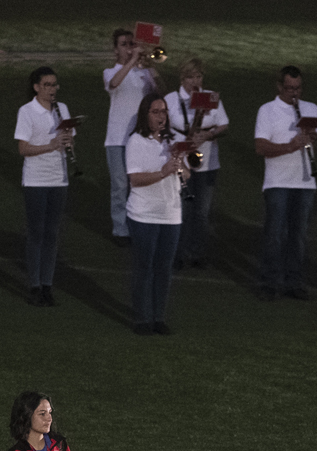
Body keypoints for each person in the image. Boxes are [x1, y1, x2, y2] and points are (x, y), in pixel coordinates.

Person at [253, 65, 317, 302]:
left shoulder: (311, 109)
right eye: (289, 88)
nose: (294, 93)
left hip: (305, 182)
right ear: (279, 87)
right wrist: (290, 146)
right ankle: (269, 282)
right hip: (278, 182)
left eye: (297, 88)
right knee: (275, 234)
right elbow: (260, 147)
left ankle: (294, 282)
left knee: (299, 235)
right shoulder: (267, 110)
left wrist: (316, 139)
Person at [126, 94, 186, 336]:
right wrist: (163, 172)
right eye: (156, 112)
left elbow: (187, 174)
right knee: (145, 267)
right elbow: (135, 179)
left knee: (164, 268)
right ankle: (142, 318)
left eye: (164, 112)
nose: (161, 116)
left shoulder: (174, 140)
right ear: (145, 115)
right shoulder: (136, 142)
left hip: (171, 214)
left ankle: (159, 317)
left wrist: (180, 163)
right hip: (143, 215)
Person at [15, 66, 72, 307]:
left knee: (52, 234)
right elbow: (23, 149)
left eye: (55, 84)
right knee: (36, 233)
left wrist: (68, 142)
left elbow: (69, 140)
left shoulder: (63, 110)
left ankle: (47, 284)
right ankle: (35, 286)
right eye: (47, 85)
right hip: (36, 180)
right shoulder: (27, 111)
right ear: (37, 87)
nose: (52, 89)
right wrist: (51, 145)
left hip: (59, 179)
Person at [164, 58, 228, 270]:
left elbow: (224, 124)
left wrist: (209, 134)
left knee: (201, 211)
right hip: (180, 161)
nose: (195, 81)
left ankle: (197, 252)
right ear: (182, 78)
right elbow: (162, 126)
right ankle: (177, 253)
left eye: (199, 76)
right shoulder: (171, 100)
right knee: (180, 209)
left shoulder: (211, 98)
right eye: (190, 77)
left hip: (207, 162)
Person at [104, 29, 159, 246]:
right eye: (124, 44)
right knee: (120, 185)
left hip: (141, 138)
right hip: (117, 139)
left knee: (139, 185)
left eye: (131, 44)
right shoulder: (110, 71)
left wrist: (152, 70)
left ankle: (139, 225)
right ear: (116, 49)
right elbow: (114, 84)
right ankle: (120, 229)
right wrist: (133, 60)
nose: (129, 48)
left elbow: (161, 94)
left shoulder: (144, 72)